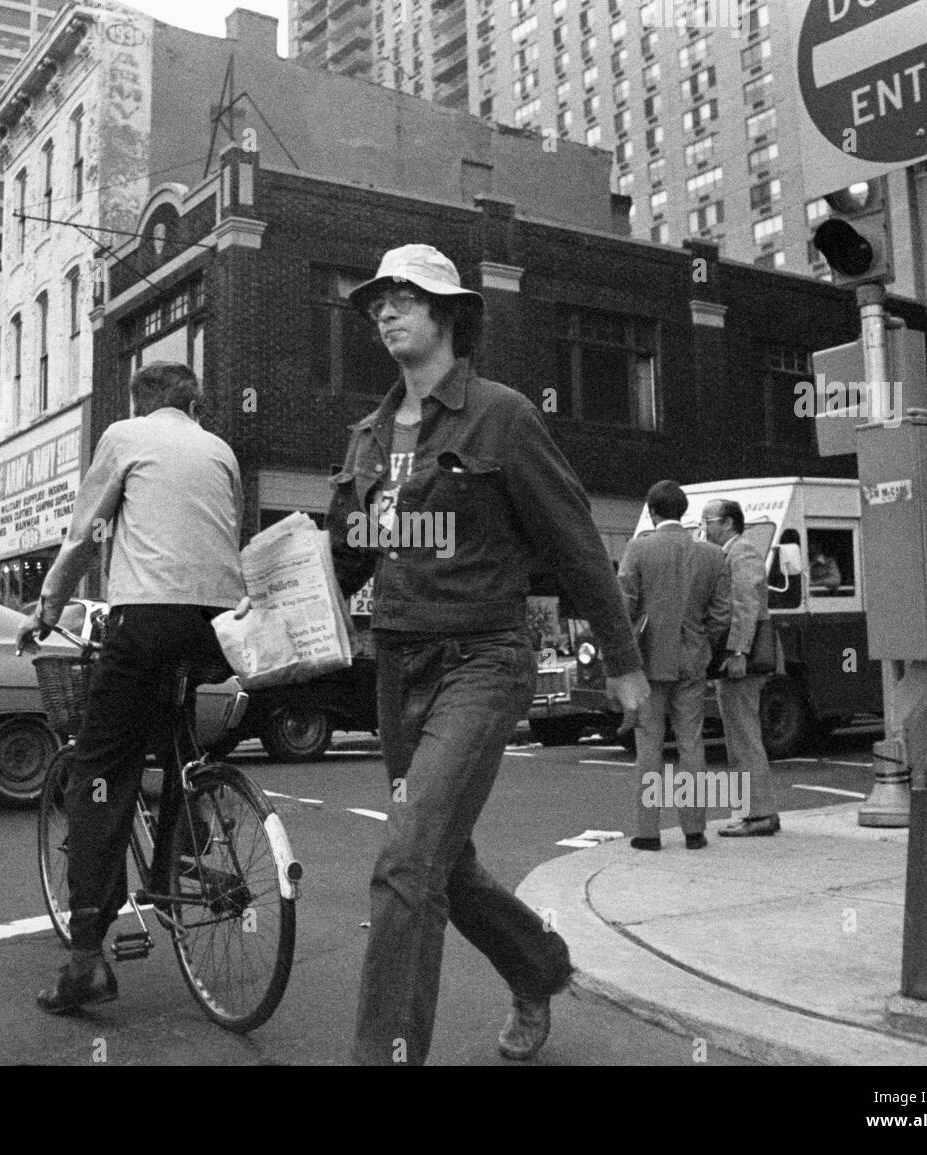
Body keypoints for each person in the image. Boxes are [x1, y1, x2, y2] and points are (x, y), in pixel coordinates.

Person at [328, 243, 649, 1065]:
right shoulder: (367, 435)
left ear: (448, 313)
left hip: (485, 658)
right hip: (398, 663)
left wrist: (623, 658)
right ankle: (538, 963)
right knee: (444, 861)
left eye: (403, 297)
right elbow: (352, 554)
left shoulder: (501, 414)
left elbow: (572, 537)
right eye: (377, 303)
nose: (385, 311)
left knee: (406, 858)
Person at [16, 361, 245, 1014]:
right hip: (216, 628)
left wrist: (47, 610)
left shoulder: (124, 436)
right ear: (194, 405)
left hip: (144, 619)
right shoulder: (219, 450)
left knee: (100, 772)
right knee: (174, 739)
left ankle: (87, 958)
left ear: (141, 402)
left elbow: (86, 534)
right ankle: (188, 842)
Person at [618, 481, 731, 851]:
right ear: (682, 511)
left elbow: (625, 606)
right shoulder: (712, 555)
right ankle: (694, 831)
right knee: (691, 744)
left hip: (649, 661)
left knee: (649, 745)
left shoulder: (639, 549)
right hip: (693, 658)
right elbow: (721, 615)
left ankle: (648, 832)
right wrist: (704, 647)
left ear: (652, 510)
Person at [703, 499, 782, 837]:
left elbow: (746, 603)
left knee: (744, 737)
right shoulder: (731, 553)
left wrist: (738, 651)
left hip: (743, 661)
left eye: (708, 520)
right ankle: (753, 811)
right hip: (738, 659)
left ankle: (760, 814)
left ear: (728, 523)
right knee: (738, 737)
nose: (704, 527)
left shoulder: (742, 552)